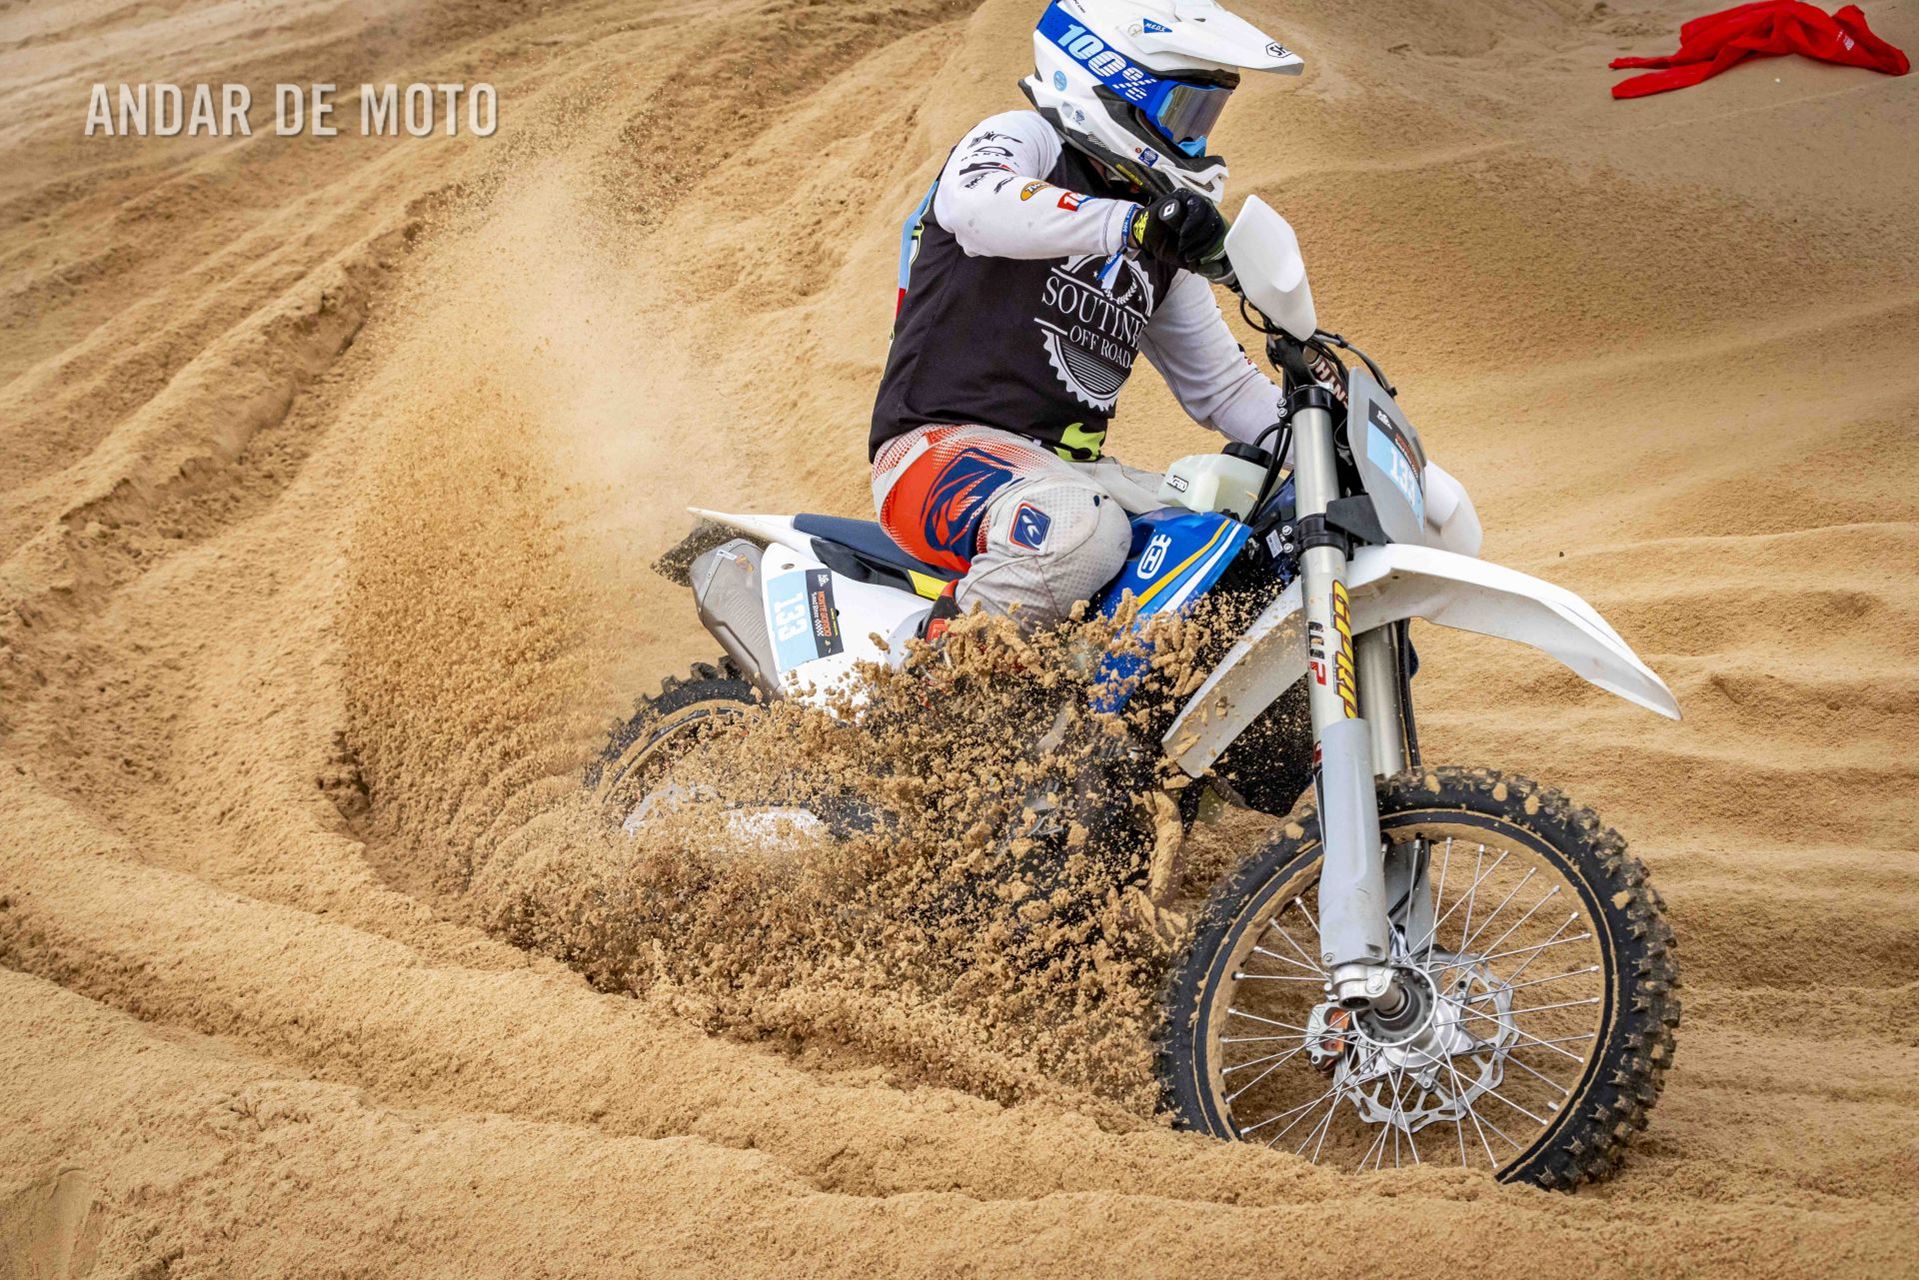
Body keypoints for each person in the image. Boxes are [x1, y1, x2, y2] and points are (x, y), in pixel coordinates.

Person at [870, 0, 1305, 641]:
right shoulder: (1030, 139)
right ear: (1109, 79)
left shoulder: (1159, 239)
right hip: (934, 451)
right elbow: (972, 204)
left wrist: (1325, 435)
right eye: (1182, 112)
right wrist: (1129, 225)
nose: (1194, 138)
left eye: (1204, 117)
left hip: (1069, 473)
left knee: (1242, 540)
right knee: (1079, 531)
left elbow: (1224, 388)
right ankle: (926, 689)